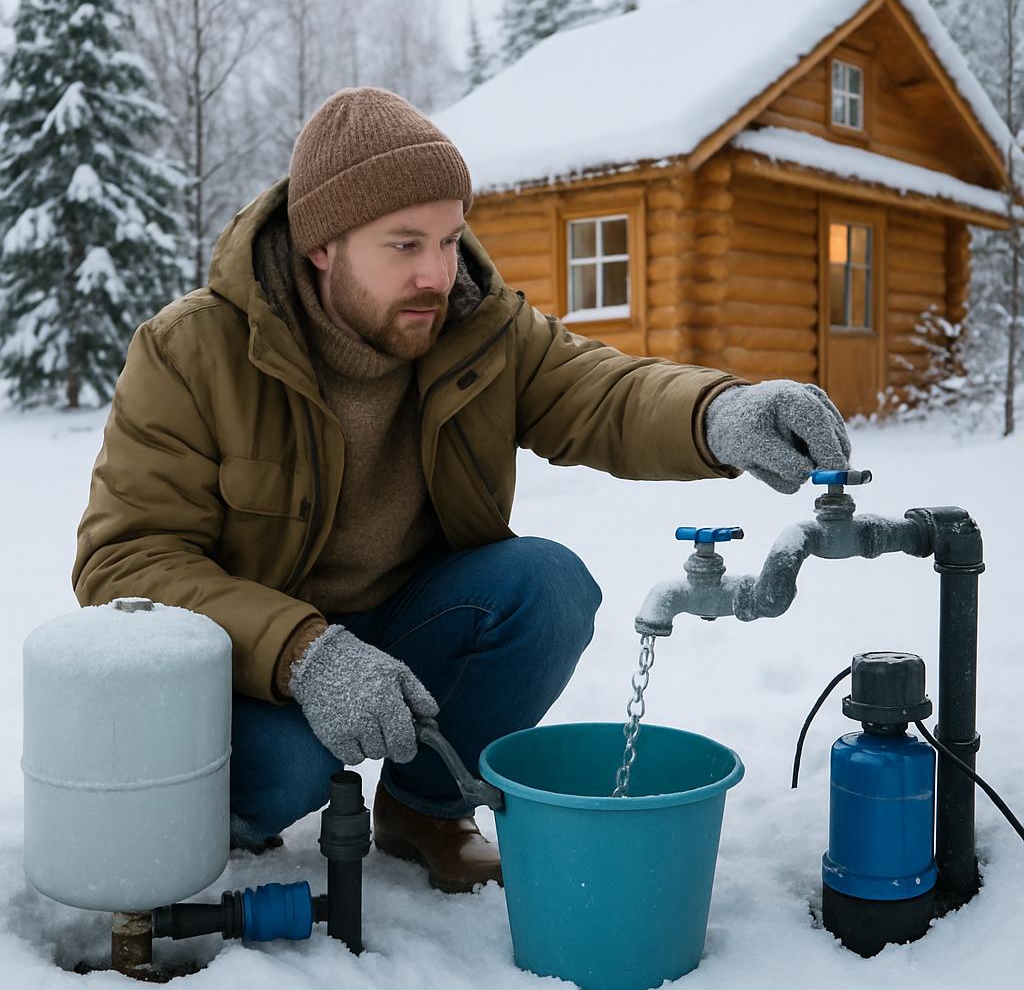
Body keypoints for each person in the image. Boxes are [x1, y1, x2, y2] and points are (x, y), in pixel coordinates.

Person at [73, 87, 851, 894]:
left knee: (544, 584)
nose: (436, 275)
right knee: (287, 772)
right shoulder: (190, 352)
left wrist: (719, 412)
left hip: (413, 615)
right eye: (404, 245)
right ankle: (229, 819)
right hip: (260, 656)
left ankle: (427, 810)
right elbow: (125, 562)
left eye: (448, 240)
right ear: (321, 247)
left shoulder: (480, 326)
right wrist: (303, 653)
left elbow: (602, 392)